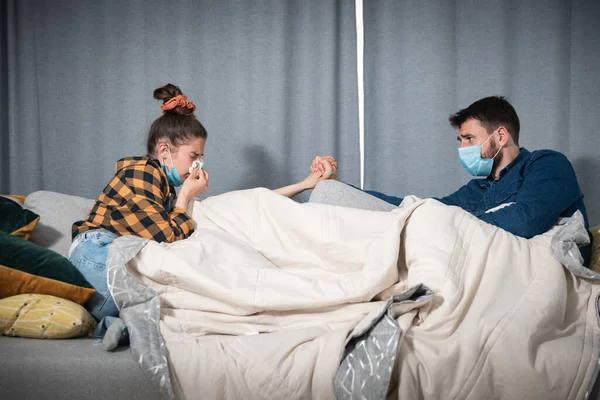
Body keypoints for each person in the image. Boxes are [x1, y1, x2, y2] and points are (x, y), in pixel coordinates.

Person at [69, 83, 334, 349]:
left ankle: (117, 324)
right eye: (193, 156)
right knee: (175, 294)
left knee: (181, 299)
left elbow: (238, 206)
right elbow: (166, 236)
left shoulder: (166, 194)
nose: (198, 165)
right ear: (164, 151)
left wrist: (304, 184)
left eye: (201, 157)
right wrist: (185, 196)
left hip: (119, 263)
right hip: (96, 253)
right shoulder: (142, 172)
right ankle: (124, 320)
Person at [311, 96, 593, 267]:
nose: (462, 148)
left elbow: (526, 219)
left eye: (469, 138)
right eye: (460, 140)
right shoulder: (478, 188)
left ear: (501, 136)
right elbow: (419, 207)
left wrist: (450, 221)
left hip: (528, 264)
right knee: (331, 196)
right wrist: (340, 187)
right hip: (472, 249)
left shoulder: (546, 164)